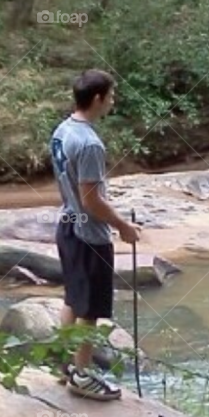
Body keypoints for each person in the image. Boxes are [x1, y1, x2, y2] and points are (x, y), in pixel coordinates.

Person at [50, 69, 141, 400]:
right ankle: (82, 376)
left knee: (73, 299)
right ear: (98, 98)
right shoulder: (89, 143)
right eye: (112, 95)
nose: (113, 101)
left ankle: (66, 366)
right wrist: (123, 226)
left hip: (67, 223)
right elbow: (91, 200)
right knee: (88, 310)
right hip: (89, 233)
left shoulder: (62, 130)